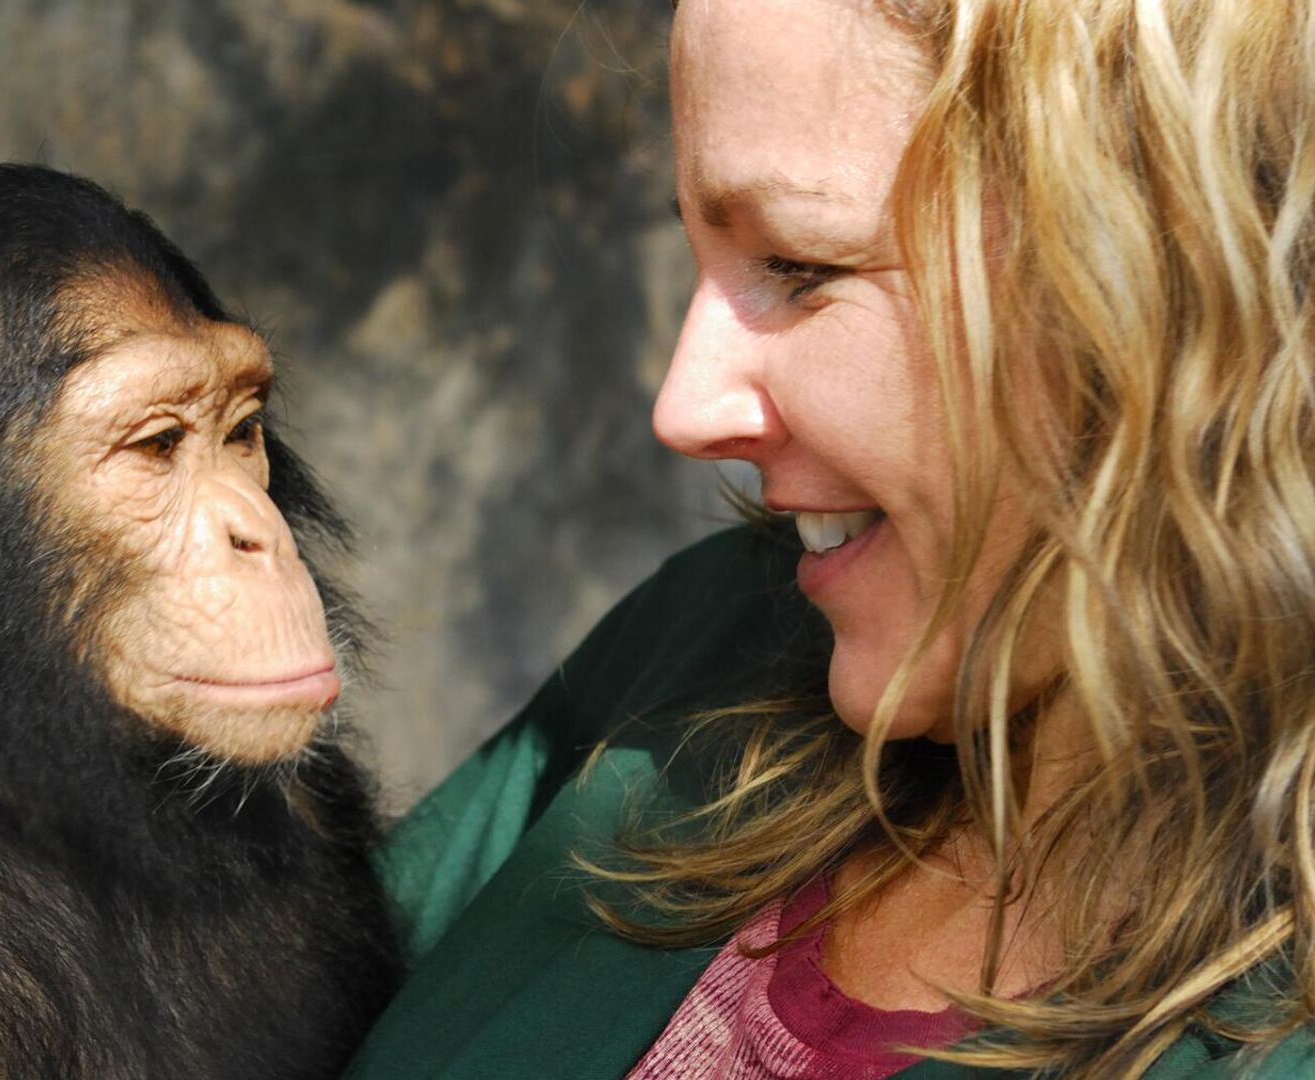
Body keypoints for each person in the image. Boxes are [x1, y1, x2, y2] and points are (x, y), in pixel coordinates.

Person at [344, 0, 1315, 1076]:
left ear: (1181, 279)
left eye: (802, 266)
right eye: (702, 257)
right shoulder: (703, 644)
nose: (684, 408)